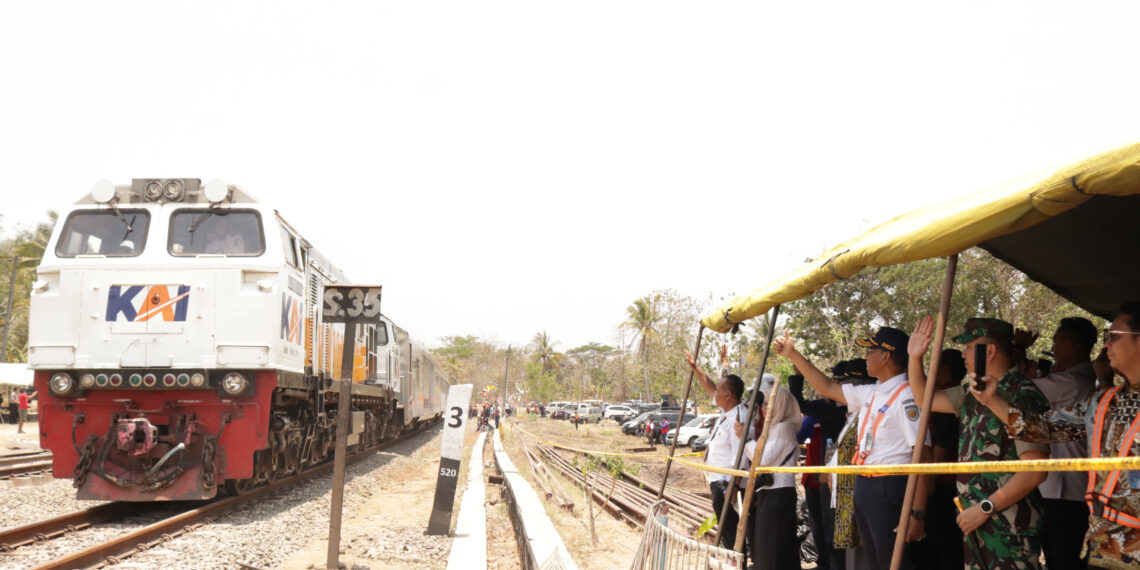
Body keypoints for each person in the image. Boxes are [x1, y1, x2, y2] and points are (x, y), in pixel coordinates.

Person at [974, 302, 1140, 568]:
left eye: (1114, 337)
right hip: (1104, 541)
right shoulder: (1105, 402)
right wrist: (992, 400)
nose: (1106, 345)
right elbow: (1044, 428)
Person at [773, 326, 926, 570]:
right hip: (866, 484)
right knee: (877, 560)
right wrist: (793, 354)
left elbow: (923, 455)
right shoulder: (874, 392)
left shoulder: (907, 396)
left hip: (890, 487)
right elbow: (828, 388)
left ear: (886, 356)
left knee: (894, 561)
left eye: (870, 350)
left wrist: (917, 512)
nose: (865, 356)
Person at [908, 317, 1051, 570]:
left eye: (969, 347)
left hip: (1009, 527)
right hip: (974, 522)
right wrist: (915, 357)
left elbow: (1036, 471)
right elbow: (922, 399)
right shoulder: (971, 392)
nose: (964, 355)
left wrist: (985, 508)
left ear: (990, 351)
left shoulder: (1023, 394)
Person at [1027, 318, 1098, 570]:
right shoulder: (1074, 378)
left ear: (1070, 343)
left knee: (1064, 559)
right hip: (1059, 489)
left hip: (1066, 492)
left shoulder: (1074, 380)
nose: (1054, 349)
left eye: (1056, 342)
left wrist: (1015, 356)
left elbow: (1022, 391)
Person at [683, 349, 754, 553]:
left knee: (733, 535)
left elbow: (739, 457)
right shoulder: (727, 410)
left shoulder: (739, 418)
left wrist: (732, 486)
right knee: (726, 532)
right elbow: (711, 386)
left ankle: (736, 564)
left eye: (719, 391)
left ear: (728, 394)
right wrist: (696, 369)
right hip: (718, 481)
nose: (714, 394)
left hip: (729, 484)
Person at [910, 348, 966, 570]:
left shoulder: (952, 396)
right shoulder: (952, 393)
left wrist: (929, 477)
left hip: (944, 484)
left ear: (943, 370)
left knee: (944, 547)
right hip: (944, 482)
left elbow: (943, 445)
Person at [739, 386, 802, 570]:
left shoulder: (783, 429)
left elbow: (763, 458)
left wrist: (745, 439)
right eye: (763, 404)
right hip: (770, 492)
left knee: (773, 547)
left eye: (768, 404)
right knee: (769, 546)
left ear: (780, 406)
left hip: (779, 493)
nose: (764, 408)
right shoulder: (775, 428)